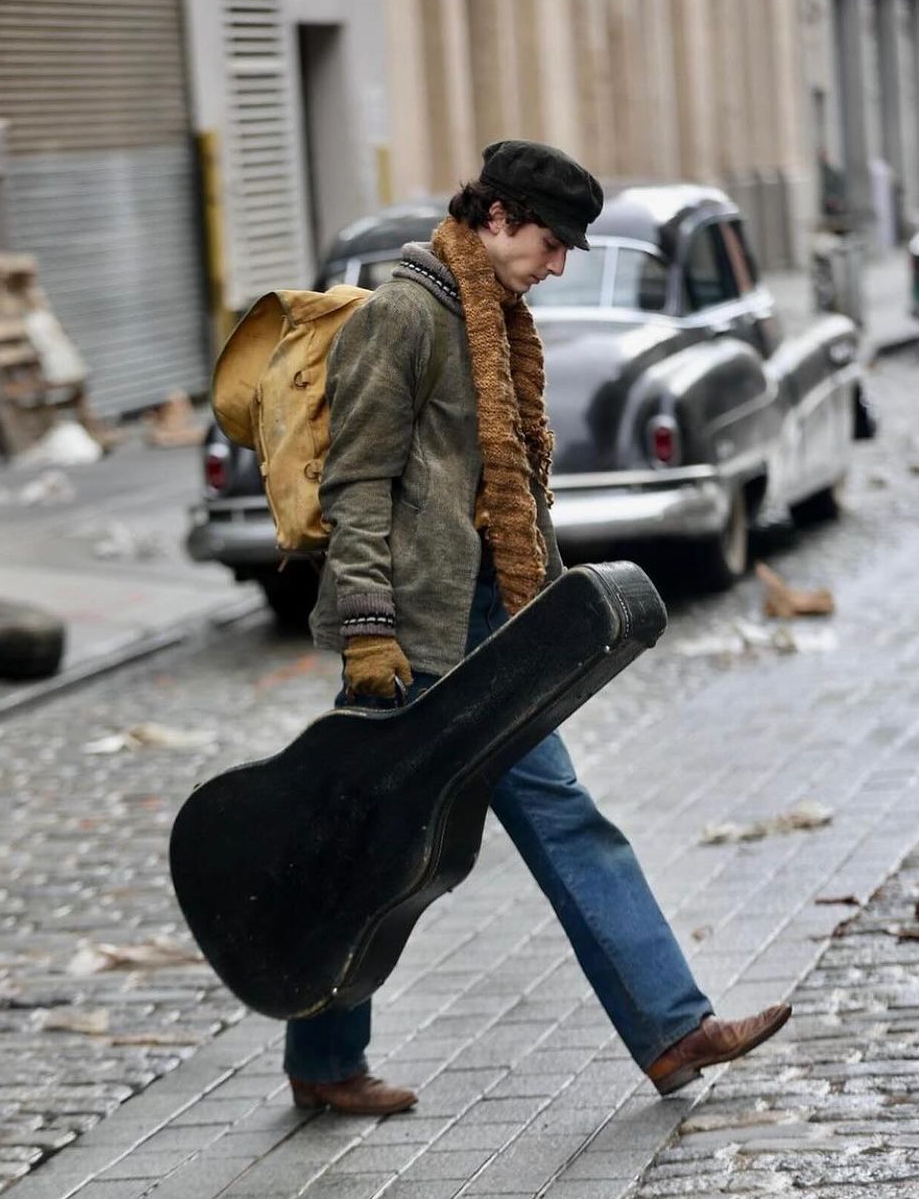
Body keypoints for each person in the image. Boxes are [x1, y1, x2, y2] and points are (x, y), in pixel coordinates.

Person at [288, 139, 791, 1115]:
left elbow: (507, 486)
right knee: (373, 853)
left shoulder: (494, 318)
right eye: (552, 242)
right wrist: (368, 634)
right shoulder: (406, 316)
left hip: (486, 622)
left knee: (559, 815)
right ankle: (322, 1056)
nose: (559, 264)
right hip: (413, 635)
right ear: (496, 218)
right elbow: (355, 487)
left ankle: (672, 1024)